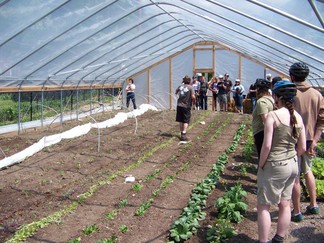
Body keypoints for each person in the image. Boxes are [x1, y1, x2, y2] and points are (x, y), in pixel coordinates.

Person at [257, 80, 306, 243]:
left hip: (275, 165)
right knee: (285, 204)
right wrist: (291, 157)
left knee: (263, 205)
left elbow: (267, 145)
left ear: (277, 97)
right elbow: (303, 148)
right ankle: (279, 238)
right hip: (292, 165)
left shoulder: (273, 115)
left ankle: (263, 241)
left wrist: (261, 164)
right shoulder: (297, 117)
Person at [290, 62, 324, 222]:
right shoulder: (317, 95)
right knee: (308, 171)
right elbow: (321, 121)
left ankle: (296, 212)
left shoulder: (290, 94)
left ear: (292, 77)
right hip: (310, 140)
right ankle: (313, 204)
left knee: (295, 175)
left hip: (294, 140)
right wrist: (315, 141)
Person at [252, 79, 274, 158]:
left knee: (262, 155)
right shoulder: (271, 99)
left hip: (261, 132)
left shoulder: (261, 102)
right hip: (264, 132)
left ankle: (261, 169)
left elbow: (265, 120)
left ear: (258, 89)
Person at [175, 75, 196, 141]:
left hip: (179, 105)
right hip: (186, 106)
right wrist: (194, 102)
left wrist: (181, 97)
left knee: (181, 120)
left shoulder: (180, 86)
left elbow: (176, 93)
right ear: (189, 81)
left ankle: (182, 133)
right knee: (186, 120)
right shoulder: (190, 87)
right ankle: (183, 135)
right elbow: (193, 97)